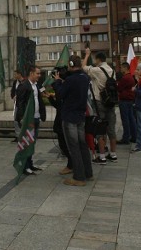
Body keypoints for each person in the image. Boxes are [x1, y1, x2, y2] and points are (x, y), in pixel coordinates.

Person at [52, 55, 93, 186]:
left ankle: (79, 177)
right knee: (82, 145)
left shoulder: (71, 79)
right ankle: (88, 173)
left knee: (73, 147)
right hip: (81, 115)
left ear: (70, 64)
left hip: (70, 116)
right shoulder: (85, 77)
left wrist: (57, 81)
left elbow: (60, 94)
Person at [82, 49, 117, 165]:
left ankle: (101, 157)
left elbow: (83, 67)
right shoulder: (112, 71)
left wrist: (87, 55)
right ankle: (113, 154)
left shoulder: (97, 70)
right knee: (111, 129)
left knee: (101, 129)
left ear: (98, 60)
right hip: (111, 103)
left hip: (100, 102)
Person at [15, 66, 46, 175]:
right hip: (28, 120)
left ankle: (30, 164)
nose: (39, 75)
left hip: (36, 118)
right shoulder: (24, 86)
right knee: (27, 143)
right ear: (31, 73)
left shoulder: (36, 85)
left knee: (32, 143)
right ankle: (25, 166)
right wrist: (22, 118)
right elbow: (20, 103)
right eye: (37, 73)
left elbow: (40, 100)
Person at [116, 62, 137, 145]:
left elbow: (119, 88)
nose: (121, 69)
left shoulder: (125, 78)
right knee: (131, 119)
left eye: (121, 68)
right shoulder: (131, 77)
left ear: (125, 68)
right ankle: (134, 136)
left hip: (124, 100)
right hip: (130, 100)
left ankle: (126, 138)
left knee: (125, 120)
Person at [10, 70, 24, 142]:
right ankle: (17, 135)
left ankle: (23, 136)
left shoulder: (25, 82)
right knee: (16, 120)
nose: (14, 76)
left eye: (15, 74)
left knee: (22, 120)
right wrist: (13, 96)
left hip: (23, 104)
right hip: (17, 104)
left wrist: (18, 96)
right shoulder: (15, 82)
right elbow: (13, 91)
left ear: (19, 74)